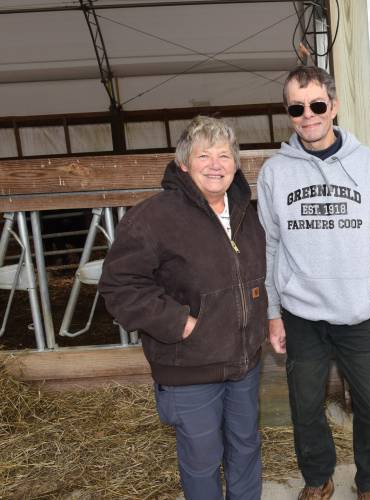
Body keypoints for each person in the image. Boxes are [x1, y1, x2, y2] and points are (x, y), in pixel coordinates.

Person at [99, 116, 267, 499]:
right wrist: (180, 323)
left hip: (244, 364)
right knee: (203, 460)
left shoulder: (247, 212)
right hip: (189, 367)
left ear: (236, 164)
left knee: (246, 448)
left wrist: (264, 320)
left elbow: (255, 276)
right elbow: (119, 285)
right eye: (203, 155)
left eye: (224, 155)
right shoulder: (154, 217)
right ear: (183, 164)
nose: (215, 164)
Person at [257, 66, 370, 500]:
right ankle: (318, 478)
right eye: (297, 108)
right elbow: (269, 245)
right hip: (300, 314)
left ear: (334, 107)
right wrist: (272, 312)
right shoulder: (275, 173)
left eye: (318, 105)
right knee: (305, 406)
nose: (309, 115)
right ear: (289, 113)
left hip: (358, 312)